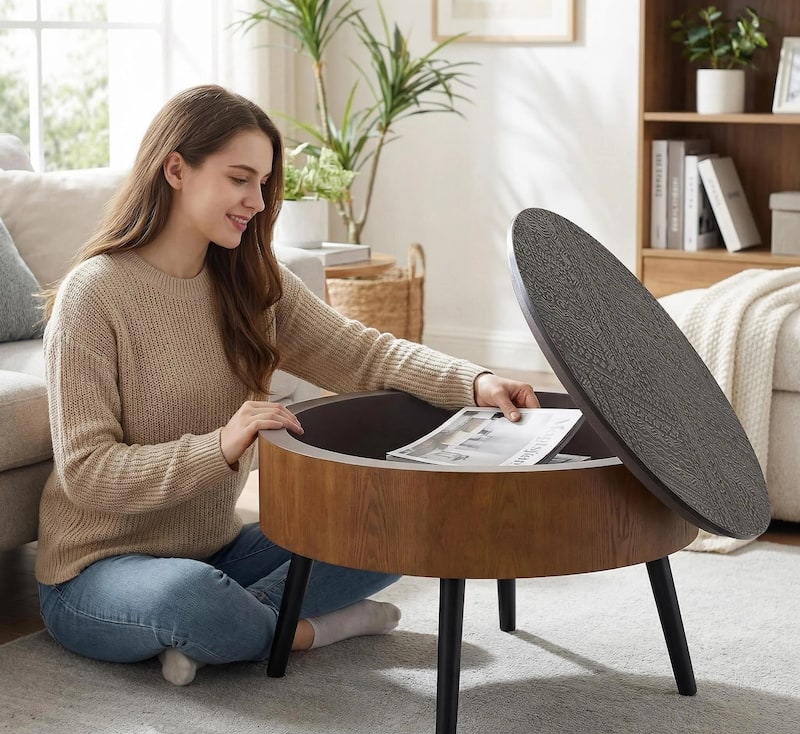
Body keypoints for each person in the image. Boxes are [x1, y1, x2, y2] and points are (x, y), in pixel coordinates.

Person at [36, 84, 539, 686]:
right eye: (239, 179)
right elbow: (87, 472)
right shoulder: (94, 294)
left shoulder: (250, 279)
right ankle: (308, 630)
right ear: (176, 168)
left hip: (218, 551)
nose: (255, 200)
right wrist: (220, 446)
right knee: (190, 597)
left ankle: (229, 633)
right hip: (96, 570)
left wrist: (474, 381)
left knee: (391, 527)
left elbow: (360, 352)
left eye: (262, 184)